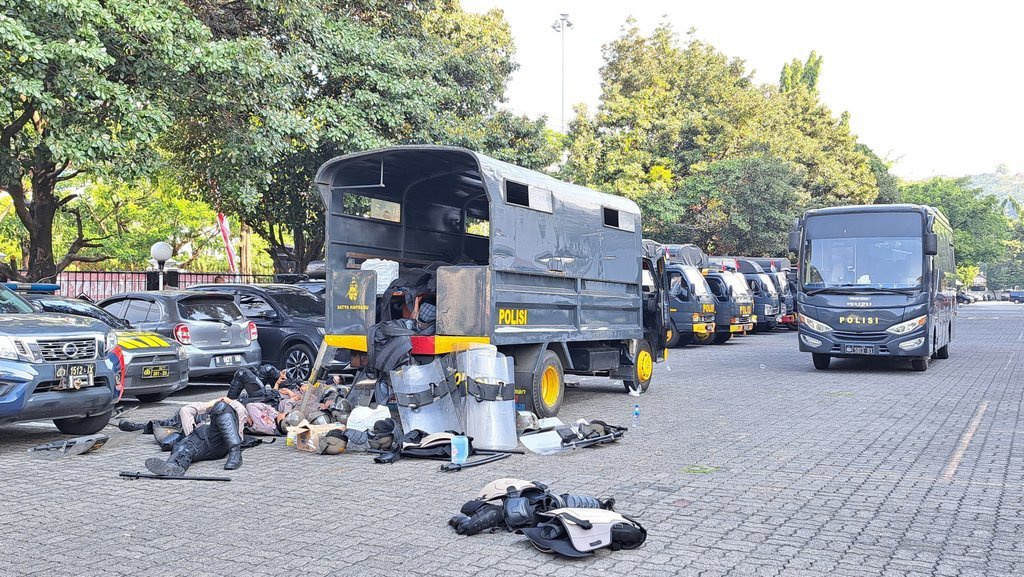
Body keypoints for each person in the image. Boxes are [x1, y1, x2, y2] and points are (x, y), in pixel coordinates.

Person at [144, 398, 246, 476]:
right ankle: (173, 466)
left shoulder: (235, 407)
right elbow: (185, 410)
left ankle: (236, 453)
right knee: (184, 448)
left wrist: (228, 401)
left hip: (219, 439)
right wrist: (208, 405)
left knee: (221, 407)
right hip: (199, 439)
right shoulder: (202, 412)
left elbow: (239, 411)